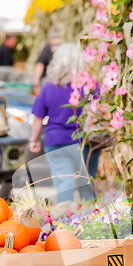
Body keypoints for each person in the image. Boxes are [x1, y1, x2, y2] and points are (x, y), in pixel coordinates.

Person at [29, 43, 99, 203]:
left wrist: (34, 140)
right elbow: (102, 107)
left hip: (56, 142)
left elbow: (38, 119)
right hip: (84, 142)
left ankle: (65, 221)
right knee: (87, 183)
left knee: (64, 184)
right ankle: (93, 221)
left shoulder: (48, 87)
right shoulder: (88, 85)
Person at [33, 29, 62, 94]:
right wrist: (36, 82)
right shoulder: (48, 48)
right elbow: (40, 64)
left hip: (53, 81)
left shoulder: (50, 48)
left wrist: (36, 82)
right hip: (51, 81)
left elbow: (40, 64)